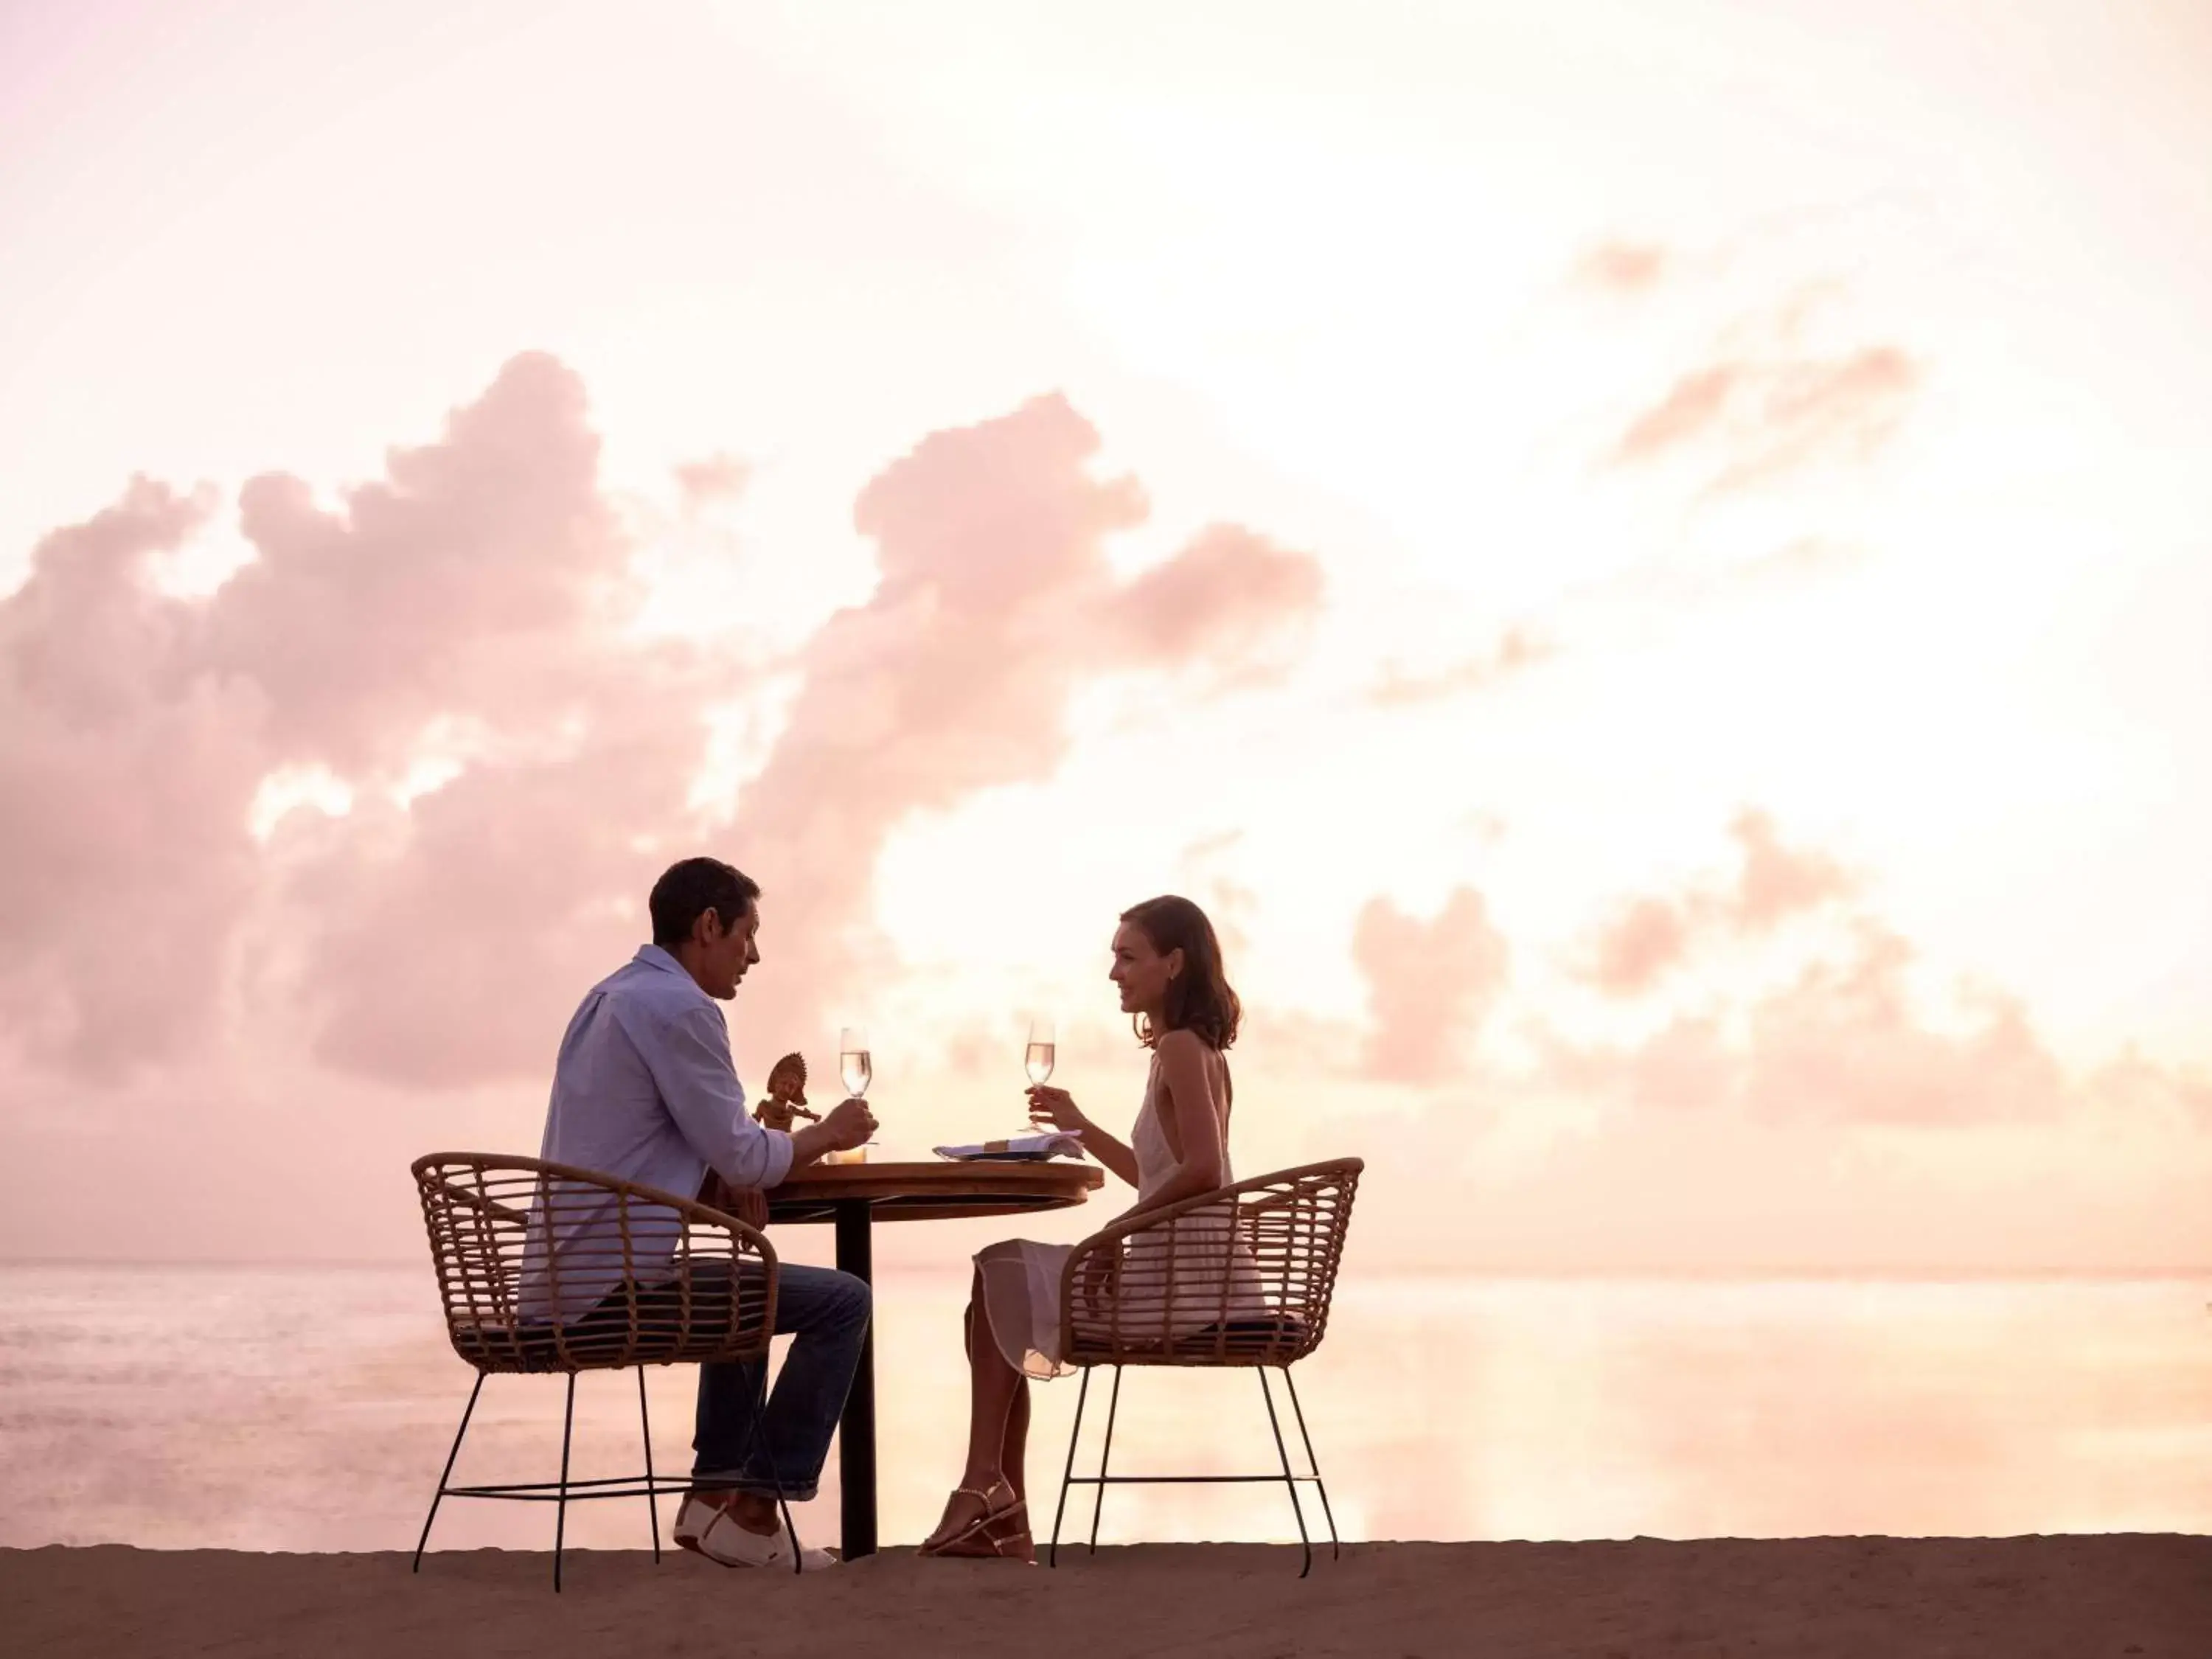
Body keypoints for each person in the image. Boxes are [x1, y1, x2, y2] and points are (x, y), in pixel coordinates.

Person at [535, 856, 877, 1570]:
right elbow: (750, 1158)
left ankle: (710, 1501)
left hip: (559, 1281)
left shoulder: (606, 998)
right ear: (709, 926)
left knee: (745, 1280)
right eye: (748, 935)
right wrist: (830, 1135)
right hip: (612, 1292)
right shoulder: (684, 1009)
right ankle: (754, 1515)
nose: (755, 955)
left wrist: (720, 1173)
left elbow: (665, 1145)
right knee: (843, 1303)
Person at [919, 894, 1267, 1560]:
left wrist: (1108, 1240)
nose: (1113, 972)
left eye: (1127, 957)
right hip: (1189, 1277)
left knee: (1000, 1271)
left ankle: (989, 1497)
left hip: (1183, 1294)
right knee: (995, 1291)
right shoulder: (1189, 1052)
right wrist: (1077, 1125)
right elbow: (1161, 1176)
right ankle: (996, 1504)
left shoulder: (1180, 1049)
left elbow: (1206, 1172)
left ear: (1174, 964)